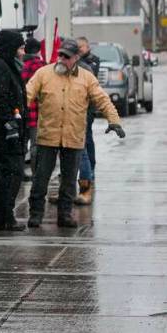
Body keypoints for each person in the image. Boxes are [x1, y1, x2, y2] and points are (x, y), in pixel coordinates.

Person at [25, 39, 125, 228]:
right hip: (48, 136)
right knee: (41, 178)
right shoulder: (43, 74)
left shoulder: (87, 78)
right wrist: (15, 115)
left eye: (66, 57)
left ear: (76, 58)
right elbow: (26, 95)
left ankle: (65, 215)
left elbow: (102, 100)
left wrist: (114, 121)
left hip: (74, 137)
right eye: (60, 55)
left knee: (69, 181)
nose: (61, 59)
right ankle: (36, 214)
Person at [0, 30, 28, 231]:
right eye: (20, 47)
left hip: (8, 133)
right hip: (3, 136)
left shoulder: (8, 66)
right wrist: (9, 123)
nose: (22, 52)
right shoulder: (0, 68)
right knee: (9, 176)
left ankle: (3, 217)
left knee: (9, 176)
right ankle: (4, 216)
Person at [74, 36, 101, 205]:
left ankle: (88, 175)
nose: (79, 50)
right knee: (86, 142)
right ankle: (88, 173)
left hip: (86, 110)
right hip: (84, 109)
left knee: (85, 143)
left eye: (80, 47)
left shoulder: (90, 63)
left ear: (87, 46)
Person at [21, 38, 47, 179]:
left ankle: (20, 172)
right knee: (36, 145)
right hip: (37, 112)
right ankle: (36, 174)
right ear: (38, 50)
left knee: (21, 145)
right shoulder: (41, 65)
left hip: (22, 111)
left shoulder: (19, 64)